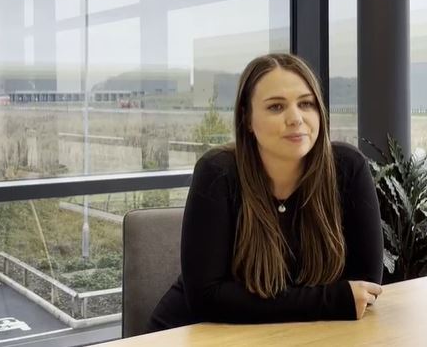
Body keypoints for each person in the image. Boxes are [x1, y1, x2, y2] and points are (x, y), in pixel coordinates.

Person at [147, 53, 383, 331]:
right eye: (276, 107)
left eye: (306, 104)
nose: (296, 118)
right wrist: (331, 300)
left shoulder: (347, 168)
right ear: (247, 119)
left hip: (293, 334)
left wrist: (329, 301)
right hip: (196, 334)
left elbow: (365, 288)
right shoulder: (217, 172)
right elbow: (206, 299)